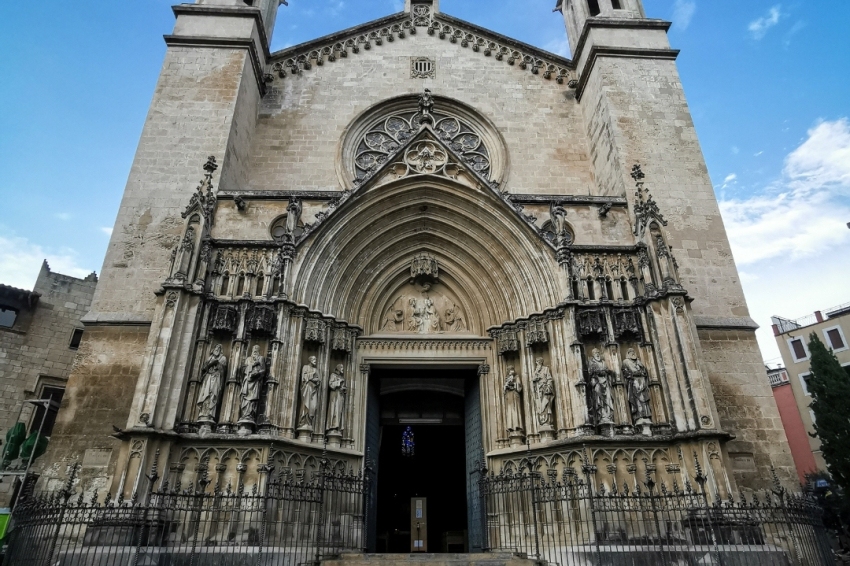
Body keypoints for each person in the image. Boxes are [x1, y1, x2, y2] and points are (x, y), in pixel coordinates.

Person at [197, 344, 227, 422]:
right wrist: (209, 365)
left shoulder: (223, 358)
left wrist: (217, 364)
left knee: (213, 395)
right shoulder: (209, 358)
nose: (217, 349)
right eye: (216, 347)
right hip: (208, 378)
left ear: (221, 351)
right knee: (205, 394)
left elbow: (222, 370)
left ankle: (210, 414)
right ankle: (203, 413)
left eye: (219, 348)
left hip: (216, 377)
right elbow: (204, 368)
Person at [621, 348, 652, 423]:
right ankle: (639, 415)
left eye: (633, 351)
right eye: (630, 352)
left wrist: (642, 372)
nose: (632, 353)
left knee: (644, 399)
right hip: (634, 383)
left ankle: (646, 414)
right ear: (628, 354)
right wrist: (633, 375)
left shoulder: (639, 362)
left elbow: (644, 372)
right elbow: (625, 373)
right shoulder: (626, 362)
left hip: (642, 382)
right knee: (637, 399)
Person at [239, 345, 266, 423]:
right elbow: (243, 369)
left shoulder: (261, 358)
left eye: (257, 349)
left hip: (256, 381)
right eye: (254, 349)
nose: (255, 350)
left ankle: (250, 415)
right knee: (245, 398)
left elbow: (263, 370)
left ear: (259, 350)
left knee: (253, 399)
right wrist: (253, 365)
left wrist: (257, 374)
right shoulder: (248, 359)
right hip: (247, 380)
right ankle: (244, 415)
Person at [588, 348, 613, 425]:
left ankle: (608, 416)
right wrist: (598, 373)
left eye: (598, 352)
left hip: (605, 384)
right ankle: (602, 415)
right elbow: (591, 372)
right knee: (599, 400)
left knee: (608, 399)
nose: (597, 354)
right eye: (595, 353)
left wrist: (607, 372)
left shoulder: (603, 362)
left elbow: (607, 371)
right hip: (597, 383)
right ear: (593, 354)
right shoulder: (592, 363)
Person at [298, 356, 320, 429]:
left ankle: (309, 422)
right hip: (307, 388)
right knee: (305, 404)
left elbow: (318, 380)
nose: (315, 361)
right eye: (314, 359)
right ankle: (303, 422)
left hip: (313, 390)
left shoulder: (316, 370)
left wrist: (312, 378)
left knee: (313, 406)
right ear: (310, 360)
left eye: (316, 359)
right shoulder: (305, 367)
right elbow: (303, 378)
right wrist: (312, 376)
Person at [532, 358, 555, 427]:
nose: (537, 363)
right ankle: (542, 421)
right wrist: (535, 379)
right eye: (536, 362)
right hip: (538, 391)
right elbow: (533, 381)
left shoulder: (545, 369)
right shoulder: (535, 371)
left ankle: (547, 422)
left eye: (538, 362)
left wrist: (548, 386)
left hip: (545, 389)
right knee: (539, 407)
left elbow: (549, 379)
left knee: (546, 405)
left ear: (541, 362)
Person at [326, 364, 347, 433]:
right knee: (334, 409)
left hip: (340, 395)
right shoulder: (333, 375)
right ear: (337, 368)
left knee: (339, 410)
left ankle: (337, 426)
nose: (342, 369)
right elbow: (331, 384)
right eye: (341, 367)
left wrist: (343, 389)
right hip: (334, 395)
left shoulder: (342, 377)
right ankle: (332, 427)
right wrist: (339, 382)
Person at [504, 366, 524, 433]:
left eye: (512, 370)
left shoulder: (516, 377)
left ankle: (516, 426)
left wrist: (513, 384)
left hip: (515, 395)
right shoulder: (507, 378)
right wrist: (506, 386)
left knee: (515, 410)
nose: (511, 371)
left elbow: (519, 386)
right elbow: (504, 390)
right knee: (510, 411)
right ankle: (511, 426)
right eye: (510, 370)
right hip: (509, 396)